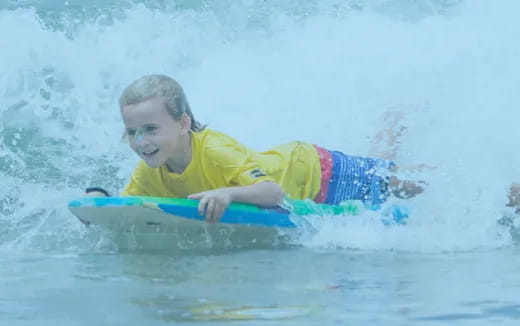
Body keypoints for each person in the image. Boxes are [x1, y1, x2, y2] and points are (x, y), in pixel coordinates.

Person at [87, 74, 516, 222]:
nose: (141, 143)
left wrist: (228, 193)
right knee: (386, 171)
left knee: (407, 184)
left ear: (182, 123)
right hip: (302, 174)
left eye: (150, 129)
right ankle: (391, 124)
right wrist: (98, 202)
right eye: (132, 133)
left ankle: (498, 187)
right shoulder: (152, 164)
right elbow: (131, 204)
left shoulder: (214, 150)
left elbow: (273, 193)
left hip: (316, 171)